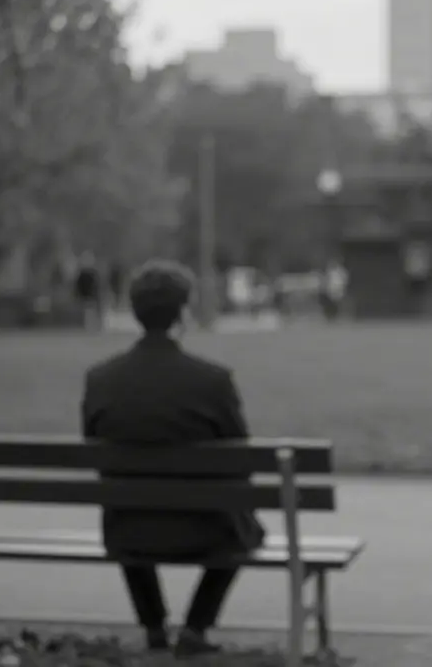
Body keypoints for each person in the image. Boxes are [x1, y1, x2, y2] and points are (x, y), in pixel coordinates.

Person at [81, 258, 266, 656]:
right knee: (246, 527)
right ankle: (196, 627)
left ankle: (153, 627)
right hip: (207, 531)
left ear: (135, 312)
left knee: (127, 499)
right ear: (183, 312)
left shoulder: (100, 379)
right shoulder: (212, 380)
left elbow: (95, 449)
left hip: (128, 531)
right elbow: (240, 456)